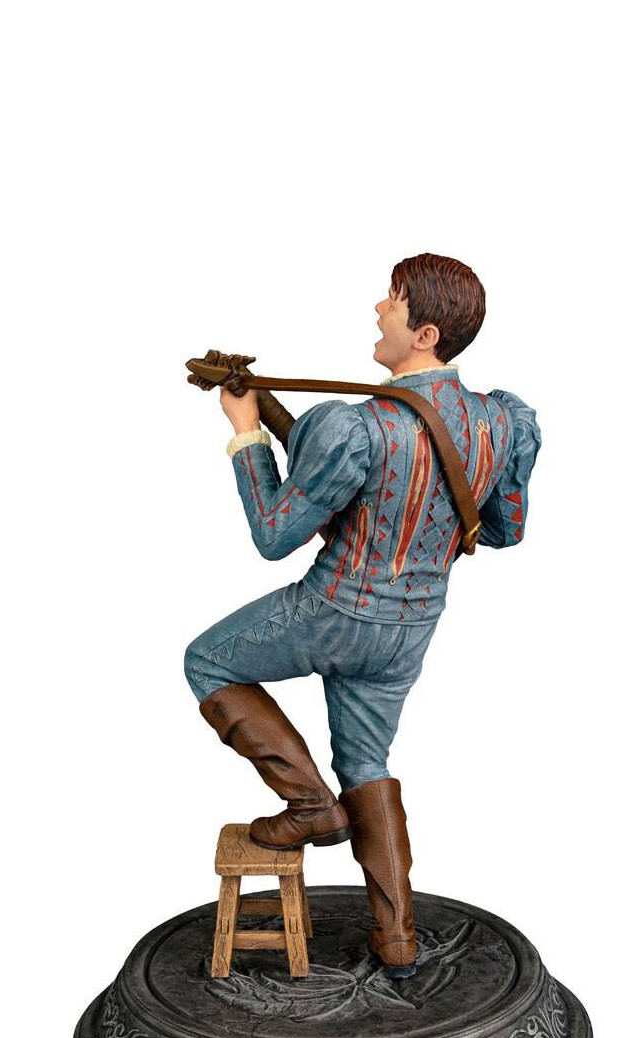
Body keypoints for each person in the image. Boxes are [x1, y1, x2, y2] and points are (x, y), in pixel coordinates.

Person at [184, 253, 541, 976]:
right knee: (367, 763)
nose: (380, 309)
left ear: (426, 334)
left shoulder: (356, 426)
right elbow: (504, 529)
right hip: (411, 630)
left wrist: (248, 433)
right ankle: (397, 940)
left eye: (394, 300)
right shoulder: (503, 422)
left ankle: (310, 805)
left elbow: (274, 534)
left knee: (208, 662)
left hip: (334, 609)